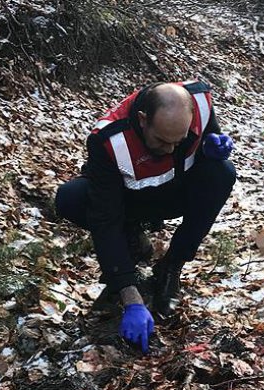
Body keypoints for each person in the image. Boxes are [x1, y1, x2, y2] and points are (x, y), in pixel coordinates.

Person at [55, 80, 236, 353]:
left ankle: (171, 267)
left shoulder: (199, 102)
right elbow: (105, 219)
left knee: (222, 172)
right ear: (143, 120)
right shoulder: (108, 140)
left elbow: (209, 134)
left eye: (180, 140)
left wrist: (211, 148)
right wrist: (130, 297)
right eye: (162, 141)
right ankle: (133, 242)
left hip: (177, 191)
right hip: (131, 198)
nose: (170, 149)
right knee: (71, 198)